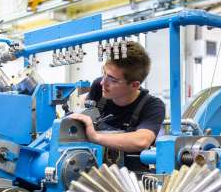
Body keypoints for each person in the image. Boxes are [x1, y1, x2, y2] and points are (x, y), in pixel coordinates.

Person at [69, 41, 166, 171]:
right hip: (93, 171)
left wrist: (95, 137)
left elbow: (142, 140)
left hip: (131, 178)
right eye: (104, 74)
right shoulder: (98, 86)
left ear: (134, 85)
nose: (104, 82)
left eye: (113, 80)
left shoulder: (152, 106)